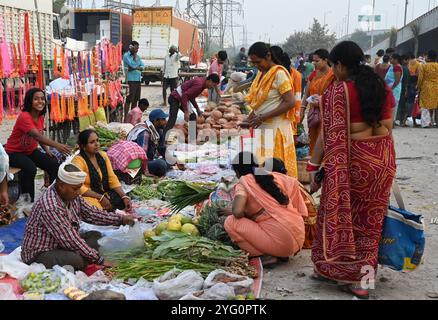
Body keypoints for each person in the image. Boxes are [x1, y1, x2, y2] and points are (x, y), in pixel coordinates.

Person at [309, 41, 396, 300]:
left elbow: (329, 135)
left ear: (340, 65)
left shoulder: (339, 92)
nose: (334, 71)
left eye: (335, 66)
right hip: (381, 162)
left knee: (338, 214)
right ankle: (365, 281)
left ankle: (330, 268)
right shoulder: (381, 87)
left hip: (352, 163)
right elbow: (388, 126)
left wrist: (314, 166)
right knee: (371, 225)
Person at [21, 162, 135, 271]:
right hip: (40, 253)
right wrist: (99, 260)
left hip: (60, 244)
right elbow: (69, 239)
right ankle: (80, 260)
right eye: (75, 189)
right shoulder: (51, 206)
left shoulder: (72, 195)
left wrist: (120, 219)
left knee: (96, 236)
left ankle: (81, 257)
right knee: (76, 260)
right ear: (61, 186)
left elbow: (91, 214)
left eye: (79, 188)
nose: (78, 192)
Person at [224, 152, 308, 266]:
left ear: (237, 172)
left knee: (230, 222)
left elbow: (237, 212)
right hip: (299, 237)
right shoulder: (275, 176)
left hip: (282, 242)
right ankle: (279, 253)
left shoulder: (243, 183)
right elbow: (299, 208)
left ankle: (265, 255)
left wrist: (240, 211)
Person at [241, 42, 298, 178]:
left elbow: (290, 102)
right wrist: (249, 119)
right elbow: (262, 102)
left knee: (276, 172)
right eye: (253, 63)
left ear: (268, 56)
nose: (256, 65)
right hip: (262, 129)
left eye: (258, 62)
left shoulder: (279, 74)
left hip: (276, 130)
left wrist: (263, 117)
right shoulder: (262, 74)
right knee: (262, 170)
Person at [5, 88, 71, 202]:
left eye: (42, 99)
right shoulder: (24, 116)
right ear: (30, 101)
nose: (40, 101)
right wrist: (57, 146)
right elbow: (37, 136)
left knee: (53, 164)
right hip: (14, 152)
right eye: (36, 99)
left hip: (30, 151)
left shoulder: (40, 116)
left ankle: (53, 198)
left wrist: (47, 151)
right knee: (30, 168)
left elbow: (40, 134)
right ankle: (28, 201)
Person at [72, 130, 132, 212]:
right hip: (89, 195)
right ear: (83, 146)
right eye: (92, 142)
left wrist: (124, 196)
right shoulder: (78, 161)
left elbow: (112, 178)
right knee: (94, 208)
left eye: (97, 140)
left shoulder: (103, 156)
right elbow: (78, 187)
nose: (97, 144)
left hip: (104, 192)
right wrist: (100, 197)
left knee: (122, 201)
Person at [301, 49, 335, 156]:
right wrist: (302, 109)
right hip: (313, 113)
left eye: (317, 61)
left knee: (325, 140)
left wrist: (321, 101)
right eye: (313, 61)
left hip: (327, 114)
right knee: (313, 139)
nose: (314, 63)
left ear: (326, 60)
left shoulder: (333, 75)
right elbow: (306, 93)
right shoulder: (313, 74)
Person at [128, 109, 177, 177]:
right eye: (163, 119)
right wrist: (146, 171)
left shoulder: (158, 131)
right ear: (156, 121)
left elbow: (161, 148)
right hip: (138, 162)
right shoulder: (145, 133)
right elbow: (141, 155)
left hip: (150, 159)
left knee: (172, 159)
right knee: (161, 165)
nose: (165, 121)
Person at [123, 41, 145, 122]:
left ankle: (132, 117)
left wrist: (135, 67)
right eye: (136, 48)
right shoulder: (126, 56)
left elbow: (143, 66)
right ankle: (125, 118)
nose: (137, 50)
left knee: (135, 100)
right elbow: (132, 64)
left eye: (138, 48)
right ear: (131, 47)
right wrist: (136, 66)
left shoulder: (137, 56)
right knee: (129, 99)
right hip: (130, 80)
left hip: (137, 80)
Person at [417, 50, 438, 127]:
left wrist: (418, 86)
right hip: (436, 87)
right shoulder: (437, 65)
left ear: (428, 56)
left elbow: (420, 78)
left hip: (426, 87)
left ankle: (426, 123)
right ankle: (434, 122)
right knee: (435, 105)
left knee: (425, 105)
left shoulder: (424, 66)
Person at [385, 53, 404, 121]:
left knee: (393, 105)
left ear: (396, 60)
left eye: (391, 58)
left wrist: (391, 88)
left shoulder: (397, 67)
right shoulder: (393, 66)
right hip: (391, 88)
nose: (390, 60)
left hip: (394, 89)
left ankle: (392, 121)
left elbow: (397, 80)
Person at [396, 55, 412, 126]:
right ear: (404, 60)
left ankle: (396, 120)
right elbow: (407, 81)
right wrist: (406, 90)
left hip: (397, 89)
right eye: (408, 60)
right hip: (403, 89)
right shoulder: (405, 69)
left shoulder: (398, 67)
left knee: (398, 104)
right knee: (403, 105)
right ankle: (402, 121)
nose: (408, 62)